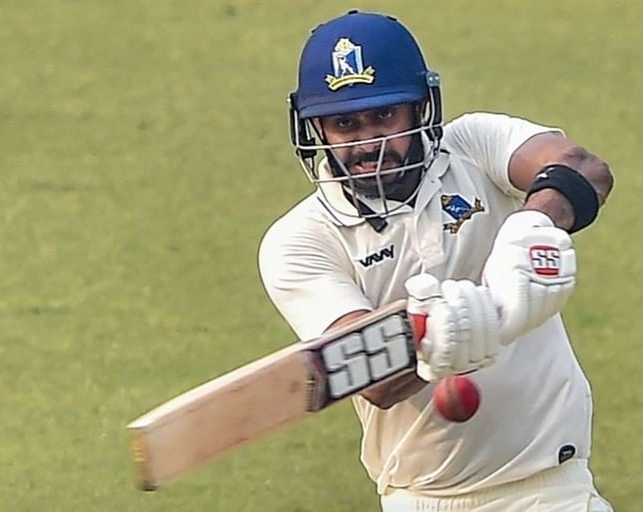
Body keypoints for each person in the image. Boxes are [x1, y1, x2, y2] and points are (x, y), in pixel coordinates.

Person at [259, 10, 615, 512]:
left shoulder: (474, 146)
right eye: (345, 124)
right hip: (423, 499)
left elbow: (582, 167)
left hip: (553, 489)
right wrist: (467, 327)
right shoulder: (300, 241)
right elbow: (368, 374)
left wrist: (529, 230)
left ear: (420, 108)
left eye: (384, 115)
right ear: (315, 126)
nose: (368, 142)